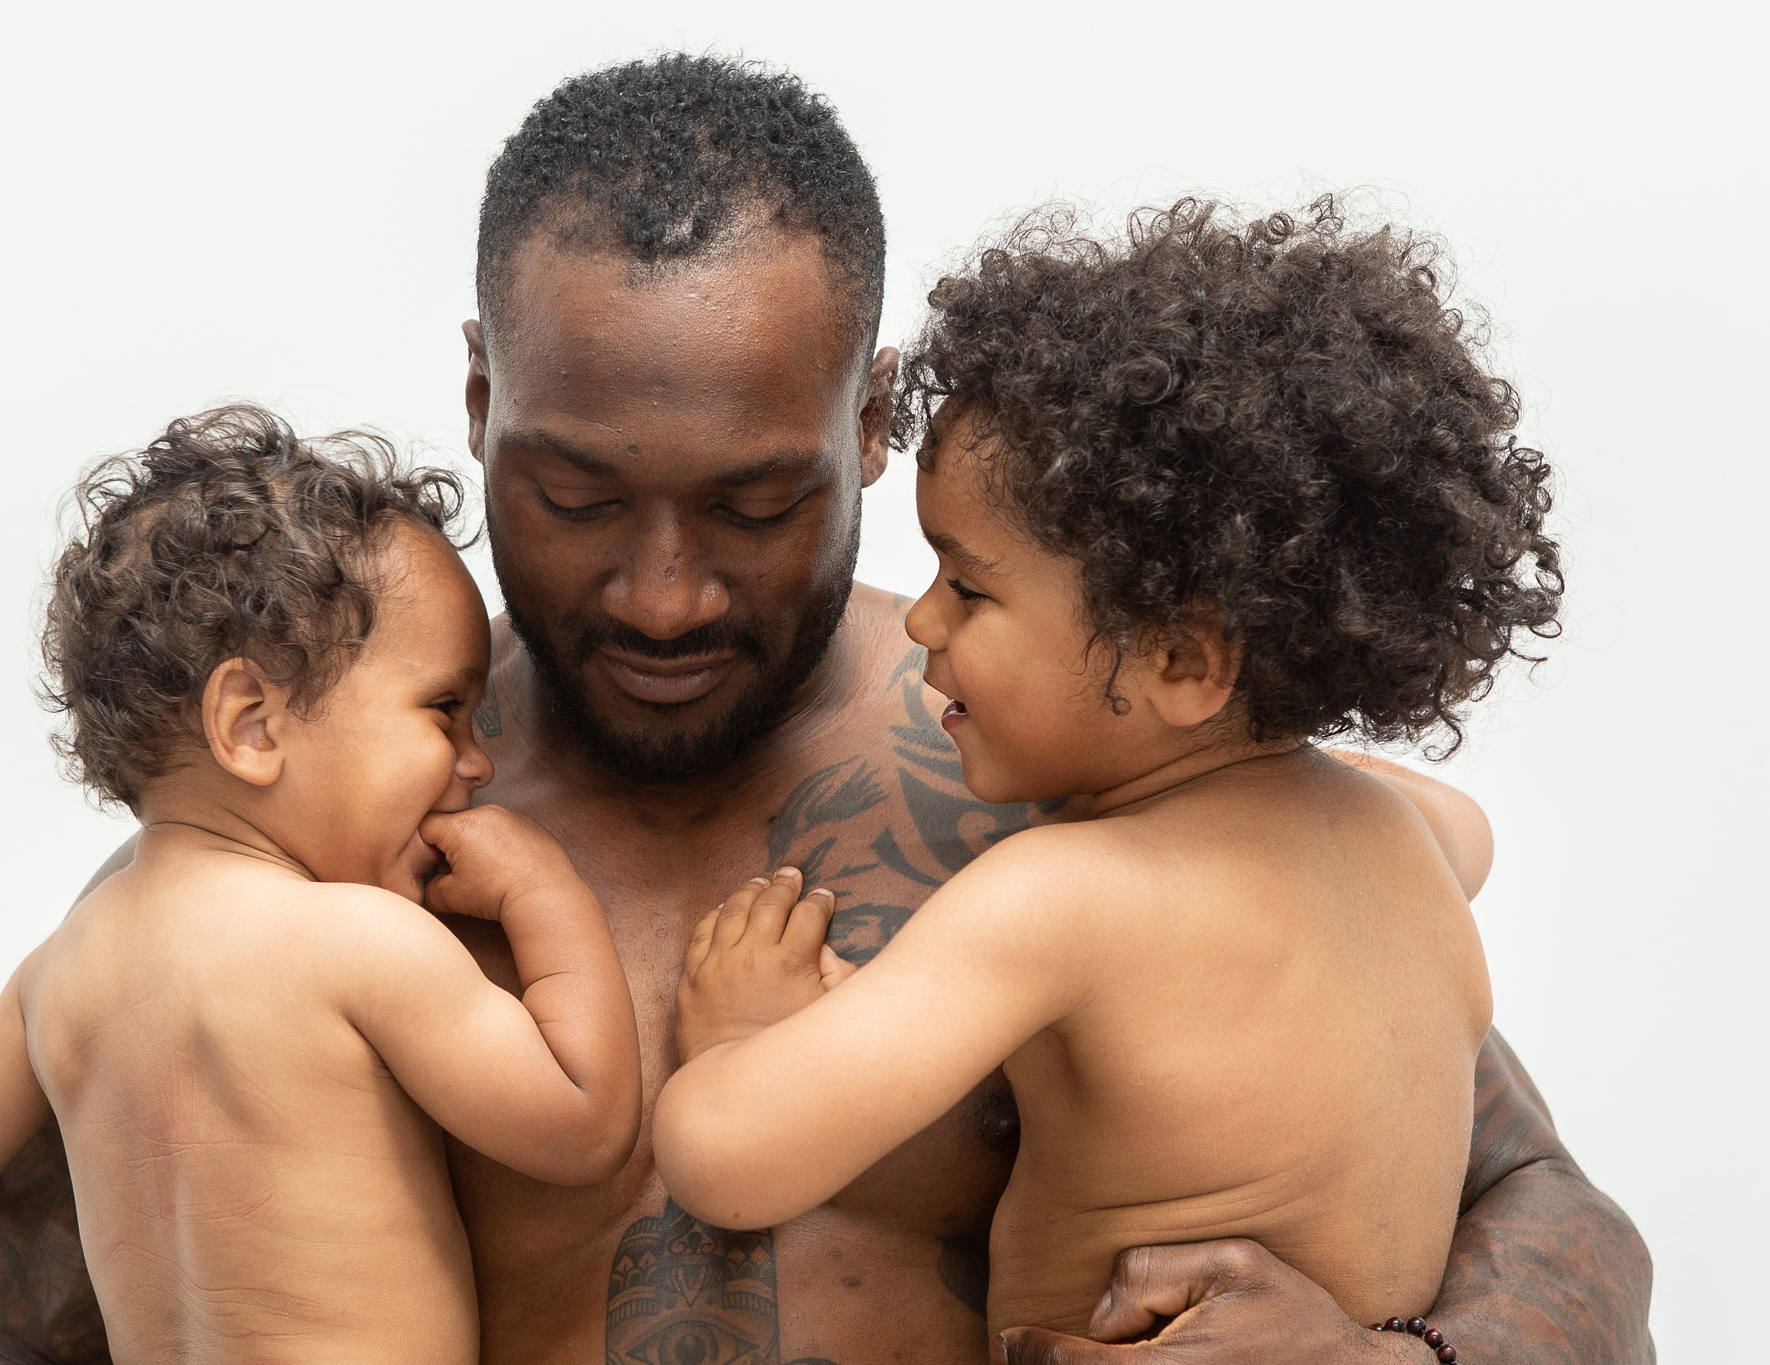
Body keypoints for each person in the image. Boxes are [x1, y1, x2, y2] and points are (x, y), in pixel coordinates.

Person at [0, 56, 1655, 1365]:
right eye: (581, 498)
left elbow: (1549, 1213)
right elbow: (18, 1302)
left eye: (753, 507)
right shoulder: (314, 835)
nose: (662, 593)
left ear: (875, 423)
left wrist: (1393, 1362)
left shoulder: (1096, 775)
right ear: (476, 395)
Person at [654, 199, 1556, 1346]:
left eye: (969, 588)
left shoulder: (1059, 899)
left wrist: (742, 1040)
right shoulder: (1421, 834)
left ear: (1180, 659)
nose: (921, 621)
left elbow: (728, 1163)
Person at [0, 407, 640, 1362]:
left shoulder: (57, 975)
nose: (476, 761)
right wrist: (548, 891)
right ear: (250, 723)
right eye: (445, 710)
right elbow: (581, 1121)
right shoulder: (358, 943)